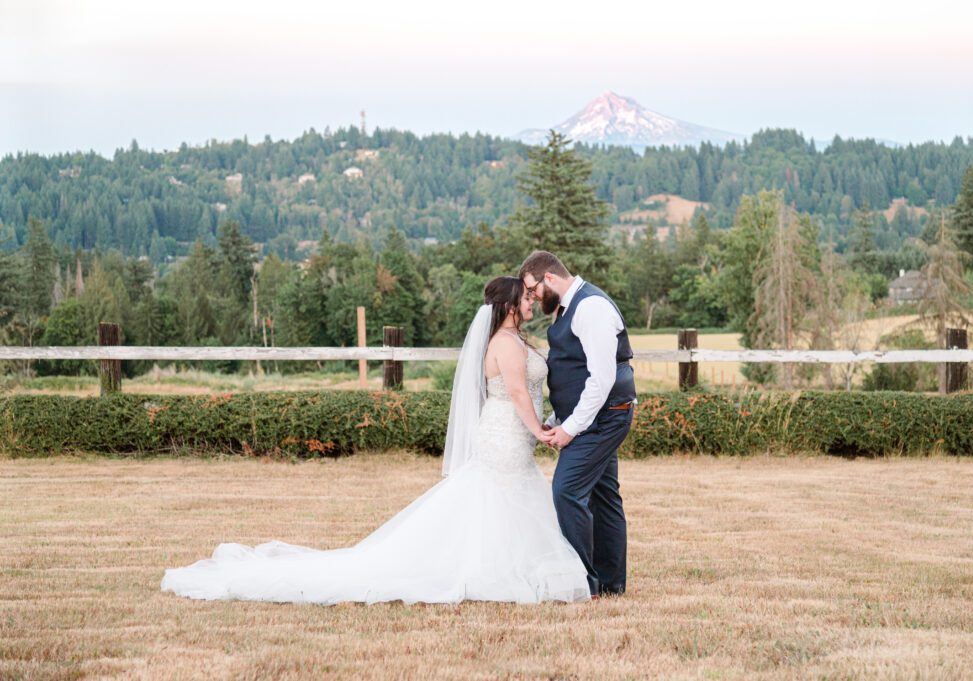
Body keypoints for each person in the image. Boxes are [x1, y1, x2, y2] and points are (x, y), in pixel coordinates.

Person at [161, 276, 590, 605]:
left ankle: (511, 563)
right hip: (506, 432)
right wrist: (540, 431)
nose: (533, 302)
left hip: (510, 434)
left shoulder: (515, 339)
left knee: (506, 497)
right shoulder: (505, 344)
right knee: (497, 496)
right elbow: (517, 392)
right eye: (527, 298)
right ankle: (493, 568)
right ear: (508, 305)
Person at [519, 251, 636, 598]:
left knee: (566, 491)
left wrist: (571, 429)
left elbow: (601, 378)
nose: (533, 297)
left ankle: (583, 581)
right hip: (595, 416)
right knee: (603, 497)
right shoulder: (571, 308)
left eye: (533, 289)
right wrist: (559, 419)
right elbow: (576, 372)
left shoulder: (591, 308)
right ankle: (611, 584)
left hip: (606, 416)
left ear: (549, 279)